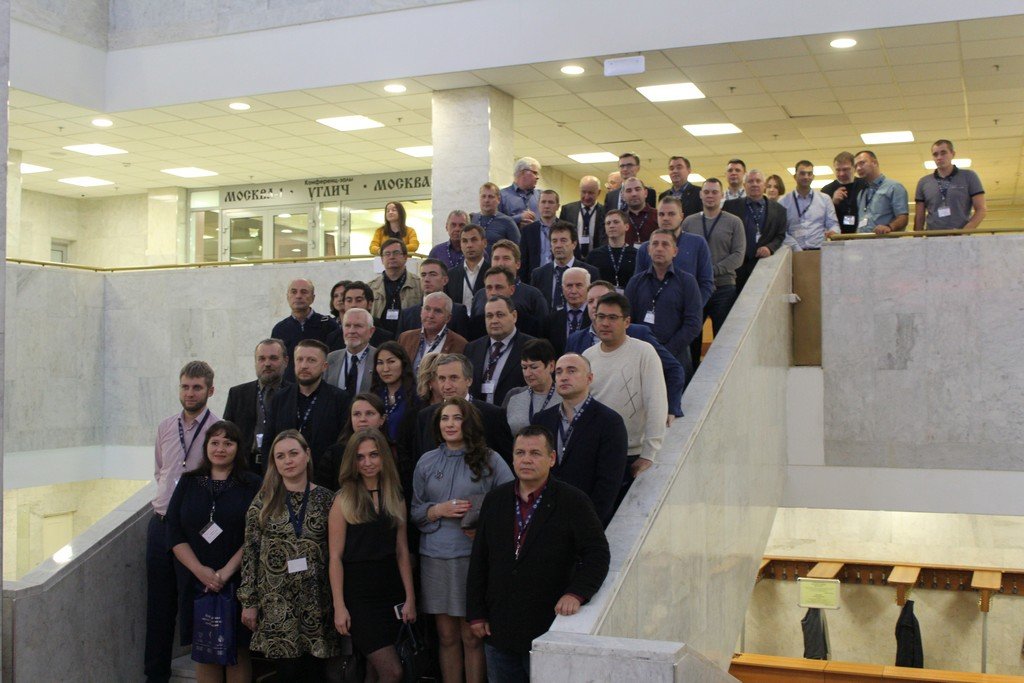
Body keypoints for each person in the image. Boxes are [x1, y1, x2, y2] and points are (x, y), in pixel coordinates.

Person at [466, 425, 610, 682]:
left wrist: (576, 593)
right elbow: (479, 559)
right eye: (520, 453)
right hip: (500, 629)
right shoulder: (495, 500)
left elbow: (597, 553)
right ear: (512, 458)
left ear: (551, 458)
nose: (526, 460)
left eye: (535, 453)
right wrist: (476, 613)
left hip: (547, 627)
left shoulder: (573, 501)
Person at [413, 398, 514, 683]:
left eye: (456, 418)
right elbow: (415, 511)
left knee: (472, 635)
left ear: (468, 422)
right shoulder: (426, 461)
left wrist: (482, 524)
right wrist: (438, 510)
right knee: (446, 636)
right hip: (434, 556)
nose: (450, 424)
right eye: (444, 418)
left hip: (471, 557)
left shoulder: (490, 459)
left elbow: (510, 503)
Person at [239, 430, 340, 680]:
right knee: (287, 673)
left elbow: (338, 552)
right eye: (280, 456)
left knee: (315, 673)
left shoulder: (327, 499)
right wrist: (249, 602)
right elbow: (250, 551)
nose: (288, 461)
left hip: (317, 600)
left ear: (307, 455)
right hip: (276, 602)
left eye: (293, 453)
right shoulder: (263, 500)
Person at [166, 420, 261, 683]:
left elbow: (257, 533)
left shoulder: (252, 484)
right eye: (215, 442)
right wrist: (200, 571)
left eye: (228, 443)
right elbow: (173, 530)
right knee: (204, 649)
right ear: (206, 446)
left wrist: (225, 573)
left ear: (238, 448)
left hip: (238, 580)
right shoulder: (188, 482)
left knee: (237, 650)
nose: (220, 449)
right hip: (195, 582)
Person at [146, 361, 219, 683]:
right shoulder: (165, 426)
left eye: (197, 387)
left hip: (194, 530)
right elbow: (160, 470)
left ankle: (206, 672)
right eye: (185, 387)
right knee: (158, 606)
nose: (190, 393)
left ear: (210, 391)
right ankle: (156, 675)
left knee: (195, 602)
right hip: (161, 523)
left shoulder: (218, 430)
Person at [328, 430, 416, 683]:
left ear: (383, 457)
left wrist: (410, 598)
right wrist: (339, 606)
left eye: (374, 455)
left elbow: (402, 551)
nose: (367, 462)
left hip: (391, 592)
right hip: (359, 597)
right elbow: (335, 557)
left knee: (374, 671)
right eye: (360, 457)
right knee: (392, 671)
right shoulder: (343, 500)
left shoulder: (395, 496)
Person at [583, 293, 668, 490]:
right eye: (601, 317)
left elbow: (656, 403)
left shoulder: (644, 352)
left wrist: (649, 454)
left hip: (631, 454)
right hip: (594, 453)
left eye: (612, 318)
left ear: (627, 322)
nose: (605, 323)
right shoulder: (587, 356)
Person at [531, 354, 628, 526]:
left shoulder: (610, 422)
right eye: (559, 372)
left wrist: (586, 524)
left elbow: (608, 484)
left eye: (572, 371)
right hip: (545, 519)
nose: (564, 377)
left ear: (589, 378)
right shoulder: (542, 420)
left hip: (588, 521)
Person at [565, 280, 685, 414]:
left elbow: (673, 369)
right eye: (591, 301)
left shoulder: (640, 335)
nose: (595, 305)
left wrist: (671, 409)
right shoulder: (576, 340)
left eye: (601, 299)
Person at [262, 339, 351, 489]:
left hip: (327, 483)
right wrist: (272, 479)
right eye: (300, 359)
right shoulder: (280, 399)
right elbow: (268, 443)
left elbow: (343, 445)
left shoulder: (340, 399)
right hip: (284, 484)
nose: (304, 365)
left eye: (311, 360)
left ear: (324, 366)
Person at [625, 229, 703, 371]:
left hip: (676, 359)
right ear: (648, 250)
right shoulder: (635, 282)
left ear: (675, 251)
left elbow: (693, 324)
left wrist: (665, 353)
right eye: (655, 244)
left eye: (665, 244)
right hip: (641, 359)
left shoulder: (687, 282)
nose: (659, 248)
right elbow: (627, 320)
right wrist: (645, 351)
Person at [416, 354, 515, 464]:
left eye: (453, 378)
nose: (447, 386)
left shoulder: (492, 415)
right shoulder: (425, 416)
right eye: (442, 379)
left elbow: (507, 461)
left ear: (469, 380)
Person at [682, 178, 746, 336]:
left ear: (722, 195)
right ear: (700, 195)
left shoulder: (734, 222)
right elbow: (683, 251)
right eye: (706, 192)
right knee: (692, 336)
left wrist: (712, 271)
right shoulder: (689, 222)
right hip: (696, 288)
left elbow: (738, 255)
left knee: (723, 337)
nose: (710, 195)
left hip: (724, 288)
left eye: (714, 192)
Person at [223, 338, 290, 474]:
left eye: (273, 358)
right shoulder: (237, 394)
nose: (267, 364)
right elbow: (228, 434)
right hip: (245, 469)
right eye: (261, 359)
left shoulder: (294, 394)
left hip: (283, 467)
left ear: (286, 361)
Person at [635, 197, 715, 306]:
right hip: (653, 310)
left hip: (687, 310)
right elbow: (639, 284)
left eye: (671, 214)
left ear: (681, 216)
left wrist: (694, 308)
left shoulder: (698, 243)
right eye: (661, 214)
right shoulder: (646, 248)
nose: (665, 218)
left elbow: (706, 283)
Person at [723, 169, 789, 292]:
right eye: (750, 181)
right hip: (737, 268)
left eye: (758, 181)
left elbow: (780, 235)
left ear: (764, 185)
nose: (754, 184)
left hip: (764, 265)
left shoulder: (779, 210)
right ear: (744, 185)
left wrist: (770, 248)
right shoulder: (730, 206)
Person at [464, 295, 536, 405]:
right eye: (489, 316)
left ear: (514, 316)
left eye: (500, 315)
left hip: (514, 412)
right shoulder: (472, 348)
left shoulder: (532, 346)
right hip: (477, 412)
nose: (494, 321)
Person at [370, 341, 422, 486]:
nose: (385, 368)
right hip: (375, 464)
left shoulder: (416, 397)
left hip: (405, 466)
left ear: (403, 363)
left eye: (391, 361)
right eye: (380, 363)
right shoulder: (374, 395)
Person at [320, 393, 390, 496]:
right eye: (357, 414)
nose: (362, 419)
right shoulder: (334, 454)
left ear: (382, 419)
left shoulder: (394, 451)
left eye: (369, 413)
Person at [271, 278, 338, 382]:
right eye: (294, 292)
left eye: (304, 292)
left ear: (313, 298)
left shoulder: (328, 325)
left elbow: (336, 361)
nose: (298, 296)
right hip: (289, 388)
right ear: (287, 297)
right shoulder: (279, 329)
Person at [914, 139, 986, 231]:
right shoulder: (924, 182)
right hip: (933, 236)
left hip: (960, 236)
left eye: (943, 153)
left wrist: (964, 232)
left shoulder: (969, 176)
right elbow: (919, 217)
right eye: (935, 154)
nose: (939, 157)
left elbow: (981, 209)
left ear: (953, 154)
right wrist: (917, 237)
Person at [472, 240, 549, 325]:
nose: (500, 263)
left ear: (518, 264)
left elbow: (543, 328)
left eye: (506, 258)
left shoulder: (533, 296)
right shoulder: (479, 296)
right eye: (496, 258)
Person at [529, 222, 600, 311]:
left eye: (563, 240)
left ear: (574, 244)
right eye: (554, 241)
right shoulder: (538, 274)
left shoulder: (590, 272)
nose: (558, 245)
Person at [398, 291, 468, 373]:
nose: (430, 315)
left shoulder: (460, 344)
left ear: (448, 318)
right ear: (421, 312)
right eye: (427, 309)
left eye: (437, 311)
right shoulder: (405, 338)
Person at [398, 258, 469, 337]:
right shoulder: (407, 314)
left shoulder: (458, 311)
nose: (426, 279)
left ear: (445, 280)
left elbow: (462, 342)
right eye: (423, 275)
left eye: (433, 274)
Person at [502, 338, 560, 434]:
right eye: (524, 367)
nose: (527, 373)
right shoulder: (513, 395)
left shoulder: (565, 395)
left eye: (534, 367)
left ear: (551, 366)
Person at [780, 160, 840, 251]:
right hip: (793, 251)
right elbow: (781, 231)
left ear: (813, 176)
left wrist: (833, 232)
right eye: (802, 173)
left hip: (819, 250)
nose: (806, 177)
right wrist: (796, 248)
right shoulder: (783, 202)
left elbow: (833, 224)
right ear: (795, 176)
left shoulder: (825, 199)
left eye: (809, 174)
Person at [369, 238, 423, 335]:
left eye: (396, 253)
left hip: (409, 336)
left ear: (405, 257)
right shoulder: (371, 287)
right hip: (379, 338)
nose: (391, 257)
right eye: (387, 254)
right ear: (382, 259)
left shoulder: (420, 285)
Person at [854, 150, 909, 235]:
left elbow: (903, 217)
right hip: (863, 240)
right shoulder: (862, 193)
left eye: (862, 163)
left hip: (884, 240)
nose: (858, 168)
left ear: (875, 163)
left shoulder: (894, 187)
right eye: (856, 166)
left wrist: (889, 227)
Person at [325, 307, 376, 395]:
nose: (351, 331)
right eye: (347, 326)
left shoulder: (379, 359)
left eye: (358, 326)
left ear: (371, 331)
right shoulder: (330, 359)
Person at [586, 210, 637, 292]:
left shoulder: (636, 254)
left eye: (616, 222)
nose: (611, 226)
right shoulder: (594, 255)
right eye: (608, 223)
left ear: (626, 227)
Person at [518, 189, 560, 284]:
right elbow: (523, 261)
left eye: (551, 202)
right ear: (538, 205)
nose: (546, 206)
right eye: (543, 202)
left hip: (559, 279)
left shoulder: (567, 229)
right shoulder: (528, 231)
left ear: (557, 206)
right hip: (534, 280)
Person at [546, 267, 591, 355]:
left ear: (588, 288)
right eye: (569, 286)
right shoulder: (551, 320)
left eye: (579, 285)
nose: (573, 291)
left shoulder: (595, 317)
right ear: (563, 289)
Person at [558, 175, 605, 256]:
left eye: (591, 193)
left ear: (599, 192)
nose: (586, 197)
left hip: (597, 258)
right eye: (583, 192)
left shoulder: (605, 212)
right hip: (572, 257)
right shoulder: (567, 210)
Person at [821, 151, 866, 233]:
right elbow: (820, 217)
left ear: (854, 168)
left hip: (862, 234)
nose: (841, 174)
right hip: (837, 235)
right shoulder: (826, 190)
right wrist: (833, 203)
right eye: (838, 170)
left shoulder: (865, 185)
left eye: (845, 169)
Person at [445, 224, 487, 308]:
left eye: (474, 240)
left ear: (484, 243)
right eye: (464, 241)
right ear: (460, 245)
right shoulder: (450, 275)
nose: (469, 245)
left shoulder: (492, 273)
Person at [472, 182, 521, 248]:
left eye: (490, 197)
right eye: (483, 196)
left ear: (498, 199)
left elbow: (518, 249)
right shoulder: (472, 219)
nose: (486, 200)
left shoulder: (507, 222)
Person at [498, 157, 542, 226]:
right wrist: (519, 218)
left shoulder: (541, 196)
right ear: (522, 172)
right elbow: (496, 223)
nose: (537, 177)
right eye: (534, 173)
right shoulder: (501, 195)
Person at [621, 177, 658, 244]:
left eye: (637, 189)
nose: (634, 194)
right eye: (629, 191)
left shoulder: (659, 216)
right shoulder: (620, 220)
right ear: (623, 196)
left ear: (645, 193)